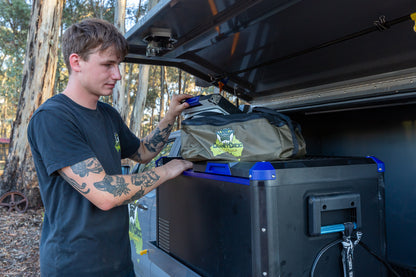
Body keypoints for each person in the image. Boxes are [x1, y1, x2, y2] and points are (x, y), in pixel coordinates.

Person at [27, 18, 193, 277]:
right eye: (107, 65)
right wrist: (169, 170)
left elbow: (143, 152)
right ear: (76, 62)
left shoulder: (107, 114)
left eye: (118, 65)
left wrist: (170, 116)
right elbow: (105, 194)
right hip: (76, 266)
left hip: (118, 260)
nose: (117, 75)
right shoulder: (53, 118)